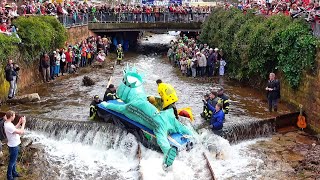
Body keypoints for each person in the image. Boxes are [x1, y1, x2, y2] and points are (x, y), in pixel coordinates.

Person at [4, 110, 26, 180]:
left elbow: (13, 129)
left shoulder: (7, 123)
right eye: (14, 115)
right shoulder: (9, 125)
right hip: (13, 146)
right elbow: (21, 132)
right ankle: (9, 177)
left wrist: (19, 122)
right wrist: (23, 123)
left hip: (12, 144)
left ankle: (14, 173)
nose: (15, 116)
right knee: (12, 162)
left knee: (13, 160)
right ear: (10, 116)